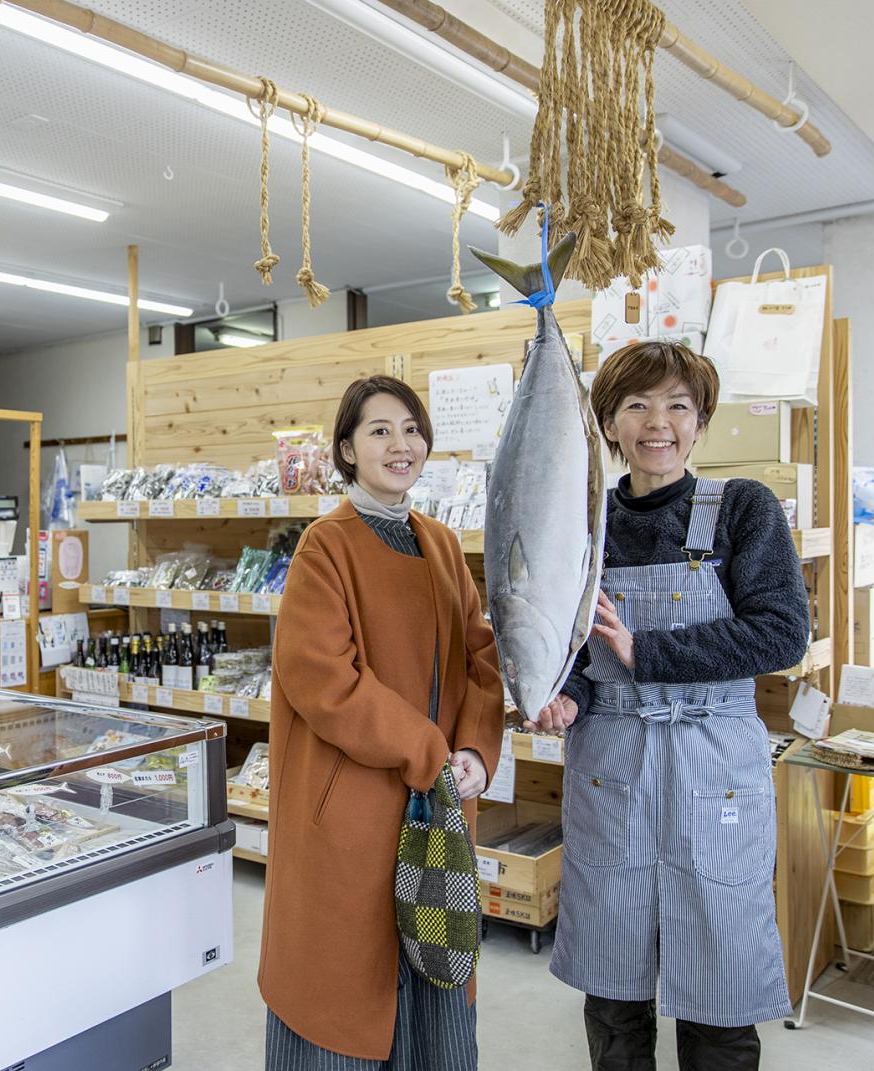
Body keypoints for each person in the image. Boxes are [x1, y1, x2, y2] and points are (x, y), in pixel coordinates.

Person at [529, 341, 810, 1070]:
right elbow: (583, 653)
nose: (659, 422)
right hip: (612, 767)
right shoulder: (592, 525)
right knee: (615, 997)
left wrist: (647, 652)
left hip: (712, 765)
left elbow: (781, 632)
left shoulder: (743, 507)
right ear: (610, 423)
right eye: (637, 405)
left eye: (678, 405)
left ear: (701, 421)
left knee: (720, 988)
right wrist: (566, 694)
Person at [260, 375, 506, 1070]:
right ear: (346, 448)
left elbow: (480, 658)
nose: (401, 444)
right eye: (379, 430)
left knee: (436, 971)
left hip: (436, 805)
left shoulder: (442, 544)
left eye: (411, 429)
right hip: (352, 816)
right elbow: (322, 676)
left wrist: (474, 752)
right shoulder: (323, 546)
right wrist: (424, 745)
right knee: (343, 993)